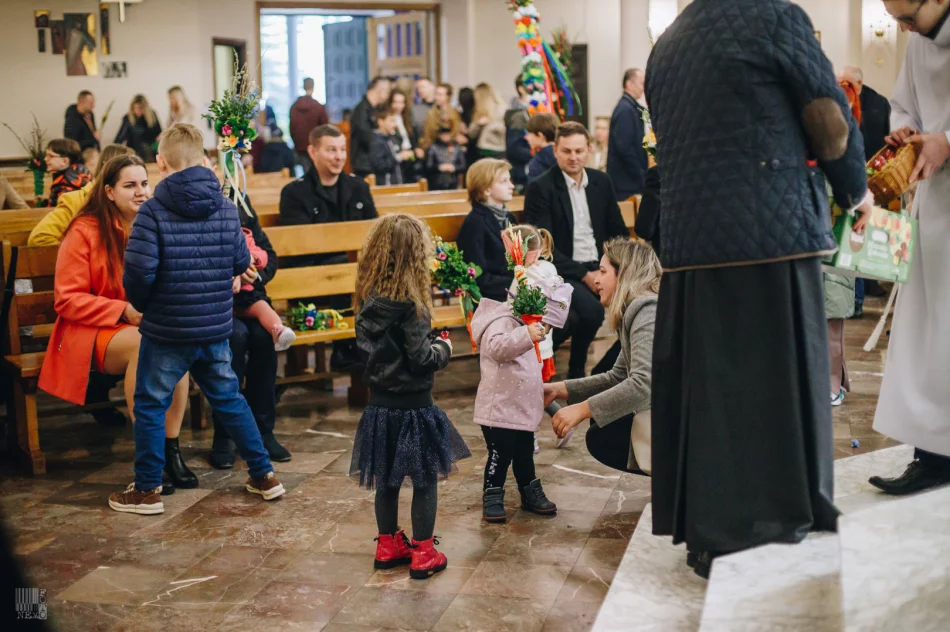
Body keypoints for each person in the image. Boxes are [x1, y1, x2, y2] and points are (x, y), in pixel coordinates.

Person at [646, 0, 872, 578]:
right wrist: (855, 192)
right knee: (773, 381)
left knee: (713, 389)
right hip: (768, 237)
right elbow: (826, 116)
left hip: (691, 247)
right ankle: (773, 524)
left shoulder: (668, 44)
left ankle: (711, 534)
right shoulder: (776, 17)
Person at [111, 123, 286, 515]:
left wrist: (146, 305)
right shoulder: (225, 206)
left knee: (151, 404)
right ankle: (264, 475)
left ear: (161, 163)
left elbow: (138, 275)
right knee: (228, 398)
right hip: (214, 326)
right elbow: (242, 263)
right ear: (203, 159)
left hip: (167, 329)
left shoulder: (153, 210)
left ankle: (147, 490)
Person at [37, 154, 196, 496]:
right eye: (130, 186)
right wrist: (122, 310)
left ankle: (171, 451)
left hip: (138, 323)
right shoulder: (84, 230)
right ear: (109, 191)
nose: (140, 192)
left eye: (144, 184)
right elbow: (66, 299)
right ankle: (150, 458)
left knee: (174, 343)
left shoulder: (154, 223)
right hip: (88, 328)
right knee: (146, 344)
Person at [349, 213, 470, 579]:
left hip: (379, 405)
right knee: (424, 479)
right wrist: (443, 348)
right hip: (414, 408)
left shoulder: (368, 302)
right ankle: (422, 552)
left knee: (385, 479)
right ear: (417, 257)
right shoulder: (413, 309)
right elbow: (421, 360)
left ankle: (387, 545)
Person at [869, 0, 950, 496]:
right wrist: (904, 127)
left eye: (905, 16)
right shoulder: (919, 45)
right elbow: (903, 103)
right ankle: (932, 456)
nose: (899, 28)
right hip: (936, 204)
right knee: (929, 336)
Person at [472, 235, 571, 523]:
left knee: (525, 454)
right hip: (500, 409)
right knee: (499, 455)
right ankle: (492, 492)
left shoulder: (529, 323)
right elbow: (496, 349)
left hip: (522, 406)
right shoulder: (502, 320)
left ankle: (530, 491)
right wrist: (525, 335)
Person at [524, 122, 629, 379]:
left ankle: (612, 372)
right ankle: (577, 370)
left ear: (589, 150)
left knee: (636, 308)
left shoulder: (601, 182)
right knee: (590, 313)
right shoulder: (542, 187)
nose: (573, 157)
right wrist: (585, 274)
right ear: (556, 151)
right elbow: (544, 247)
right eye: (567, 151)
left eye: (579, 151)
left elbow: (618, 232)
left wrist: (609, 269)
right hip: (564, 270)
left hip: (601, 265)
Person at [545, 238, 659, 472]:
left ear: (624, 274)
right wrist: (559, 389)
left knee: (604, 432)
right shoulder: (636, 307)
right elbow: (618, 376)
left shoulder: (646, 309)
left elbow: (643, 383)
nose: (596, 279)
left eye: (604, 271)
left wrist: (581, 409)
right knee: (601, 424)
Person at [279, 124, 378, 370]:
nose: (339, 157)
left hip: (355, 274)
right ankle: (346, 350)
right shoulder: (295, 192)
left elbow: (375, 234)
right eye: (331, 150)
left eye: (342, 150)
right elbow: (300, 245)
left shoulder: (359, 187)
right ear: (312, 152)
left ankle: (377, 353)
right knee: (347, 274)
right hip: (312, 275)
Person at [210, 193, 291, 467]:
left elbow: (269, 255)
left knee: (262, 337)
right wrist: (231, 271)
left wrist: (254, 273)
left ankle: (263, 431)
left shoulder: (238, 200)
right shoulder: (198, 205)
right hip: (217, 302)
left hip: (250, 298)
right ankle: (224, 435)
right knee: (235, 338)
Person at [29, 144, 135, 246]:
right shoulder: (76, 201)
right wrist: (81, 255)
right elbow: (39, 238)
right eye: (129, 183)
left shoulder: (135, 204)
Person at [457, 158, 518, 302]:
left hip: (513, 291)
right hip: (492, 298)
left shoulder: (509, 218)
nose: (511, 186)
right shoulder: (474, 223)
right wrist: (519, 285)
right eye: (504, 181)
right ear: (486, 189)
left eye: (510, 180)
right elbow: (479, 278)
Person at [234, 226, 296, 351]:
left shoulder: (243, 236)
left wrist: (251, 257)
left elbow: (263, 256)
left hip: (246, 295)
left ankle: (278, 330)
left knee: (262, 307)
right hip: (223, 299)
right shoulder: (213, 237)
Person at [606, 69, 649, 201]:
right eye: (642, 83)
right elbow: (624, 148)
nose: (644, 88)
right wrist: (641, 175)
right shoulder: (625, 110)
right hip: (626, 183)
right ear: (629, 84)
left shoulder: (631, 107)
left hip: (629, 180)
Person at [350, 77, 393, 178]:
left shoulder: (373, 109)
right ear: (380, 90)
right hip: (364, 165)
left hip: (372, 163)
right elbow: (366, 137)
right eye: (387, 92)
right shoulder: (361, 110)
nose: (388, 96)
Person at [289, 77, 330, 173]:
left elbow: (292, 128)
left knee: (306, 174)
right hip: (315, 147)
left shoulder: (294, 107)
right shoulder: (318, 107)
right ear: (313, 87)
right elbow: (325, 129)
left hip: (300, 147)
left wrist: (296, 143)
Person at [39, 138, 92, 208]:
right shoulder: (67, 177)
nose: (45, 159)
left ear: (65, 161)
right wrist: (46, 202)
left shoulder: (68, 183)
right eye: (46, 155)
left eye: (51, 156)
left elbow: (61, 211)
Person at [504, 75, 533, 193]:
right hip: (521, 173)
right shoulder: (518, 115)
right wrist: (537, 154)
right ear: (521, 89)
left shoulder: (531, 111)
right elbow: (514, 147)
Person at [389, 89, 424, 183]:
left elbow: (412, 138)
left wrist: (416, 149)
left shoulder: (407, 118)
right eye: (395, 102)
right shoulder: (388, 119)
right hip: (398, 159)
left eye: (401, 102)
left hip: (410, 157)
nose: (398, 106)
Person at [115, 95, 163, 162]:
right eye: (135, 108)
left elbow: (159, 133)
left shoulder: (152, 115)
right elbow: (120, 138)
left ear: (145, 108)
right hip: (133, 153)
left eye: (140, 108)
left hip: (150, 152)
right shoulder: (128, 118)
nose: (137, 111)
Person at [468, 83, 507, 160]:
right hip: (482, 150)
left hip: (497, 150)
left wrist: (491, 124)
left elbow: (504, 130)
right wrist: (478, 124)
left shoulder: (501, 109)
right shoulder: (478, 111)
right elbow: (471, 134)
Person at [421, 83, 464, 150]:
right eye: (436, 94)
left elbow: (456, 132)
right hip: (436, 149)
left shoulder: (455, 113)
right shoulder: (431, 113)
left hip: (452, 149)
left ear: (448, 96)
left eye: (440, 95)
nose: (437, 97)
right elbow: (428, 135)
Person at [369, 106, 404, 186]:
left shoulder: (392, 138)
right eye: (391, 121)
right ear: (381, 122)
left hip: (397, 183)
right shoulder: (376, 141)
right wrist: (399, 157)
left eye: (395, 121)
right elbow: (379, 166)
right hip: (386, 185)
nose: (394, 124)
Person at [425, 126, 466, 190]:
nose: (445, 136)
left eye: (447, 134)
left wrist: (454, 167)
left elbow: (463, 165)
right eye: (443, 134)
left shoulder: (457, 148)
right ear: (439, 135)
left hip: (453, 182)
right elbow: (428, 166)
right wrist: (439, 167)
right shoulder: (433, 148)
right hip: (436, 183)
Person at [525, 113, 559, 182]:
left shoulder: (538, 161)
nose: (526, 137)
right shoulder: (561, 155)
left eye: (529, 133)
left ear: (540, 135)